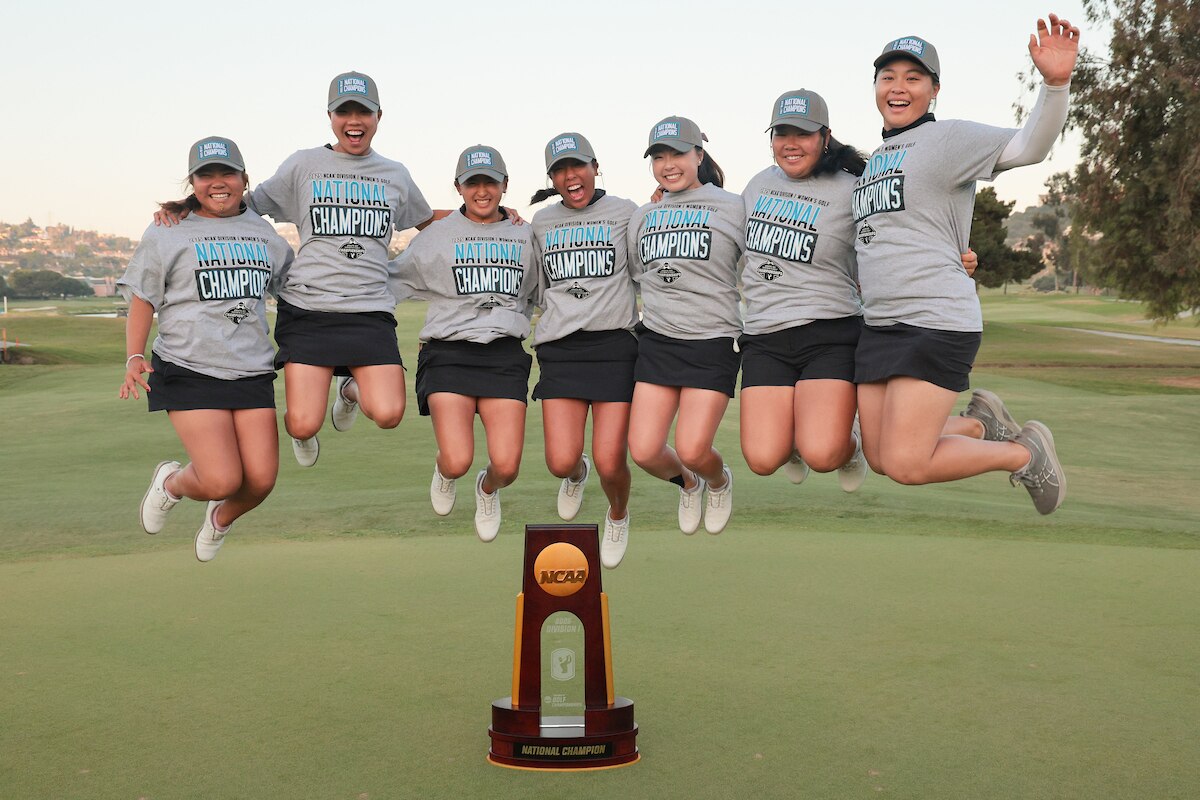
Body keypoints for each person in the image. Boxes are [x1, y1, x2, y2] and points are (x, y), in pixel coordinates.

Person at [852, 15, 1079, 513]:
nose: (898, 87)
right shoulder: (873, 161)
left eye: (913, 78)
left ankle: (1022, 453)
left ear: (934, 90)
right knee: (879, 455)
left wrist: (1055, 84)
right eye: (888, 77)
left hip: (932, 319)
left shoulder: (949, 138)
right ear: (875, 86)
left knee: (908, 464)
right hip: (880, 325)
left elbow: (1030, 147)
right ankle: (981, 425)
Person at [158, 72, 436, 468]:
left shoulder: (395, 173)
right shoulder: (304, 164)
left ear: (379, 116)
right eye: (344, 111)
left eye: (364, 112)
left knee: (389, 413)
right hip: (309, 309)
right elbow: (241, 202)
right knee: (302, 424)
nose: (354, 120)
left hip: (369, 310)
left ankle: (349, 390)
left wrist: (490, 214)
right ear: (330, 115)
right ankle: (307, 429)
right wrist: (187, 206)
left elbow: (426, 220)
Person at [740, 90, 982, 491]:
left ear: (825, 136)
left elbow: (897, 233)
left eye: (803, 133)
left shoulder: (854, 186)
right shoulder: (757, 185)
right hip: (765, 333)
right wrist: (668, 200)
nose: (791, 143)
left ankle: (846, 440)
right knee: (763, 459)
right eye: (782, 133)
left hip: (829, 329)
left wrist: (957, 256)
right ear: (771, 139)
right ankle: (809, 430)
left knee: (822, 454)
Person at [119, 136, 294, 562]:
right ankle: (171, 483)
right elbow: (144, 295)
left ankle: (220, 519)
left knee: (260, 482)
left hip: (251, 369)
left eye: (226, 174)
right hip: (188, 366)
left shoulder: (261, 231)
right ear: (193, 182)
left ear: (243, 179)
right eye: (206, 175)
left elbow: (292, 286)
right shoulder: (168, 230)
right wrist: (135, 355)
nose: (218, 183)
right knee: (219, 478)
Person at [389, 145, 535, 542]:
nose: (482, 191)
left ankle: (486, 491)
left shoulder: (526, 235)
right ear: (459, 187)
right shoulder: (436, 236)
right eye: (473, 183)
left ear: (505, 186)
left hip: (503, 355)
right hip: (448, 354)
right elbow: (390, 281)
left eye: (490, 182)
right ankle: (445, 472)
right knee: (457, 460)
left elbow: (539, 291)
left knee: (506, 467)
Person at [626, 117, 746, 536]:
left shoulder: (733, 206)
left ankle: (716, 480)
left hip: (713, 340)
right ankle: (689, 484)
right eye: (659, 157)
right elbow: (637, 272)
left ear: (699, 154)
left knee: (694, 448)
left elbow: (767, 266)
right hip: (658, 340)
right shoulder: (643, 215)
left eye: (677, 153)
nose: (668, 164)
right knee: (643, 451)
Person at [529, 133, 639, 568]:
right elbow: (532, 284)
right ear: (552, 178)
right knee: (560, 461)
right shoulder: (539, 222)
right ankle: (577, 475)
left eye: (577, 166)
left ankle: (618, 513)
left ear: (595, 166)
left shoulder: (627, 213)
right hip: (560, 348)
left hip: (614, 346)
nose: (570, 176)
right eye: (559, 170)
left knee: (612, 461)